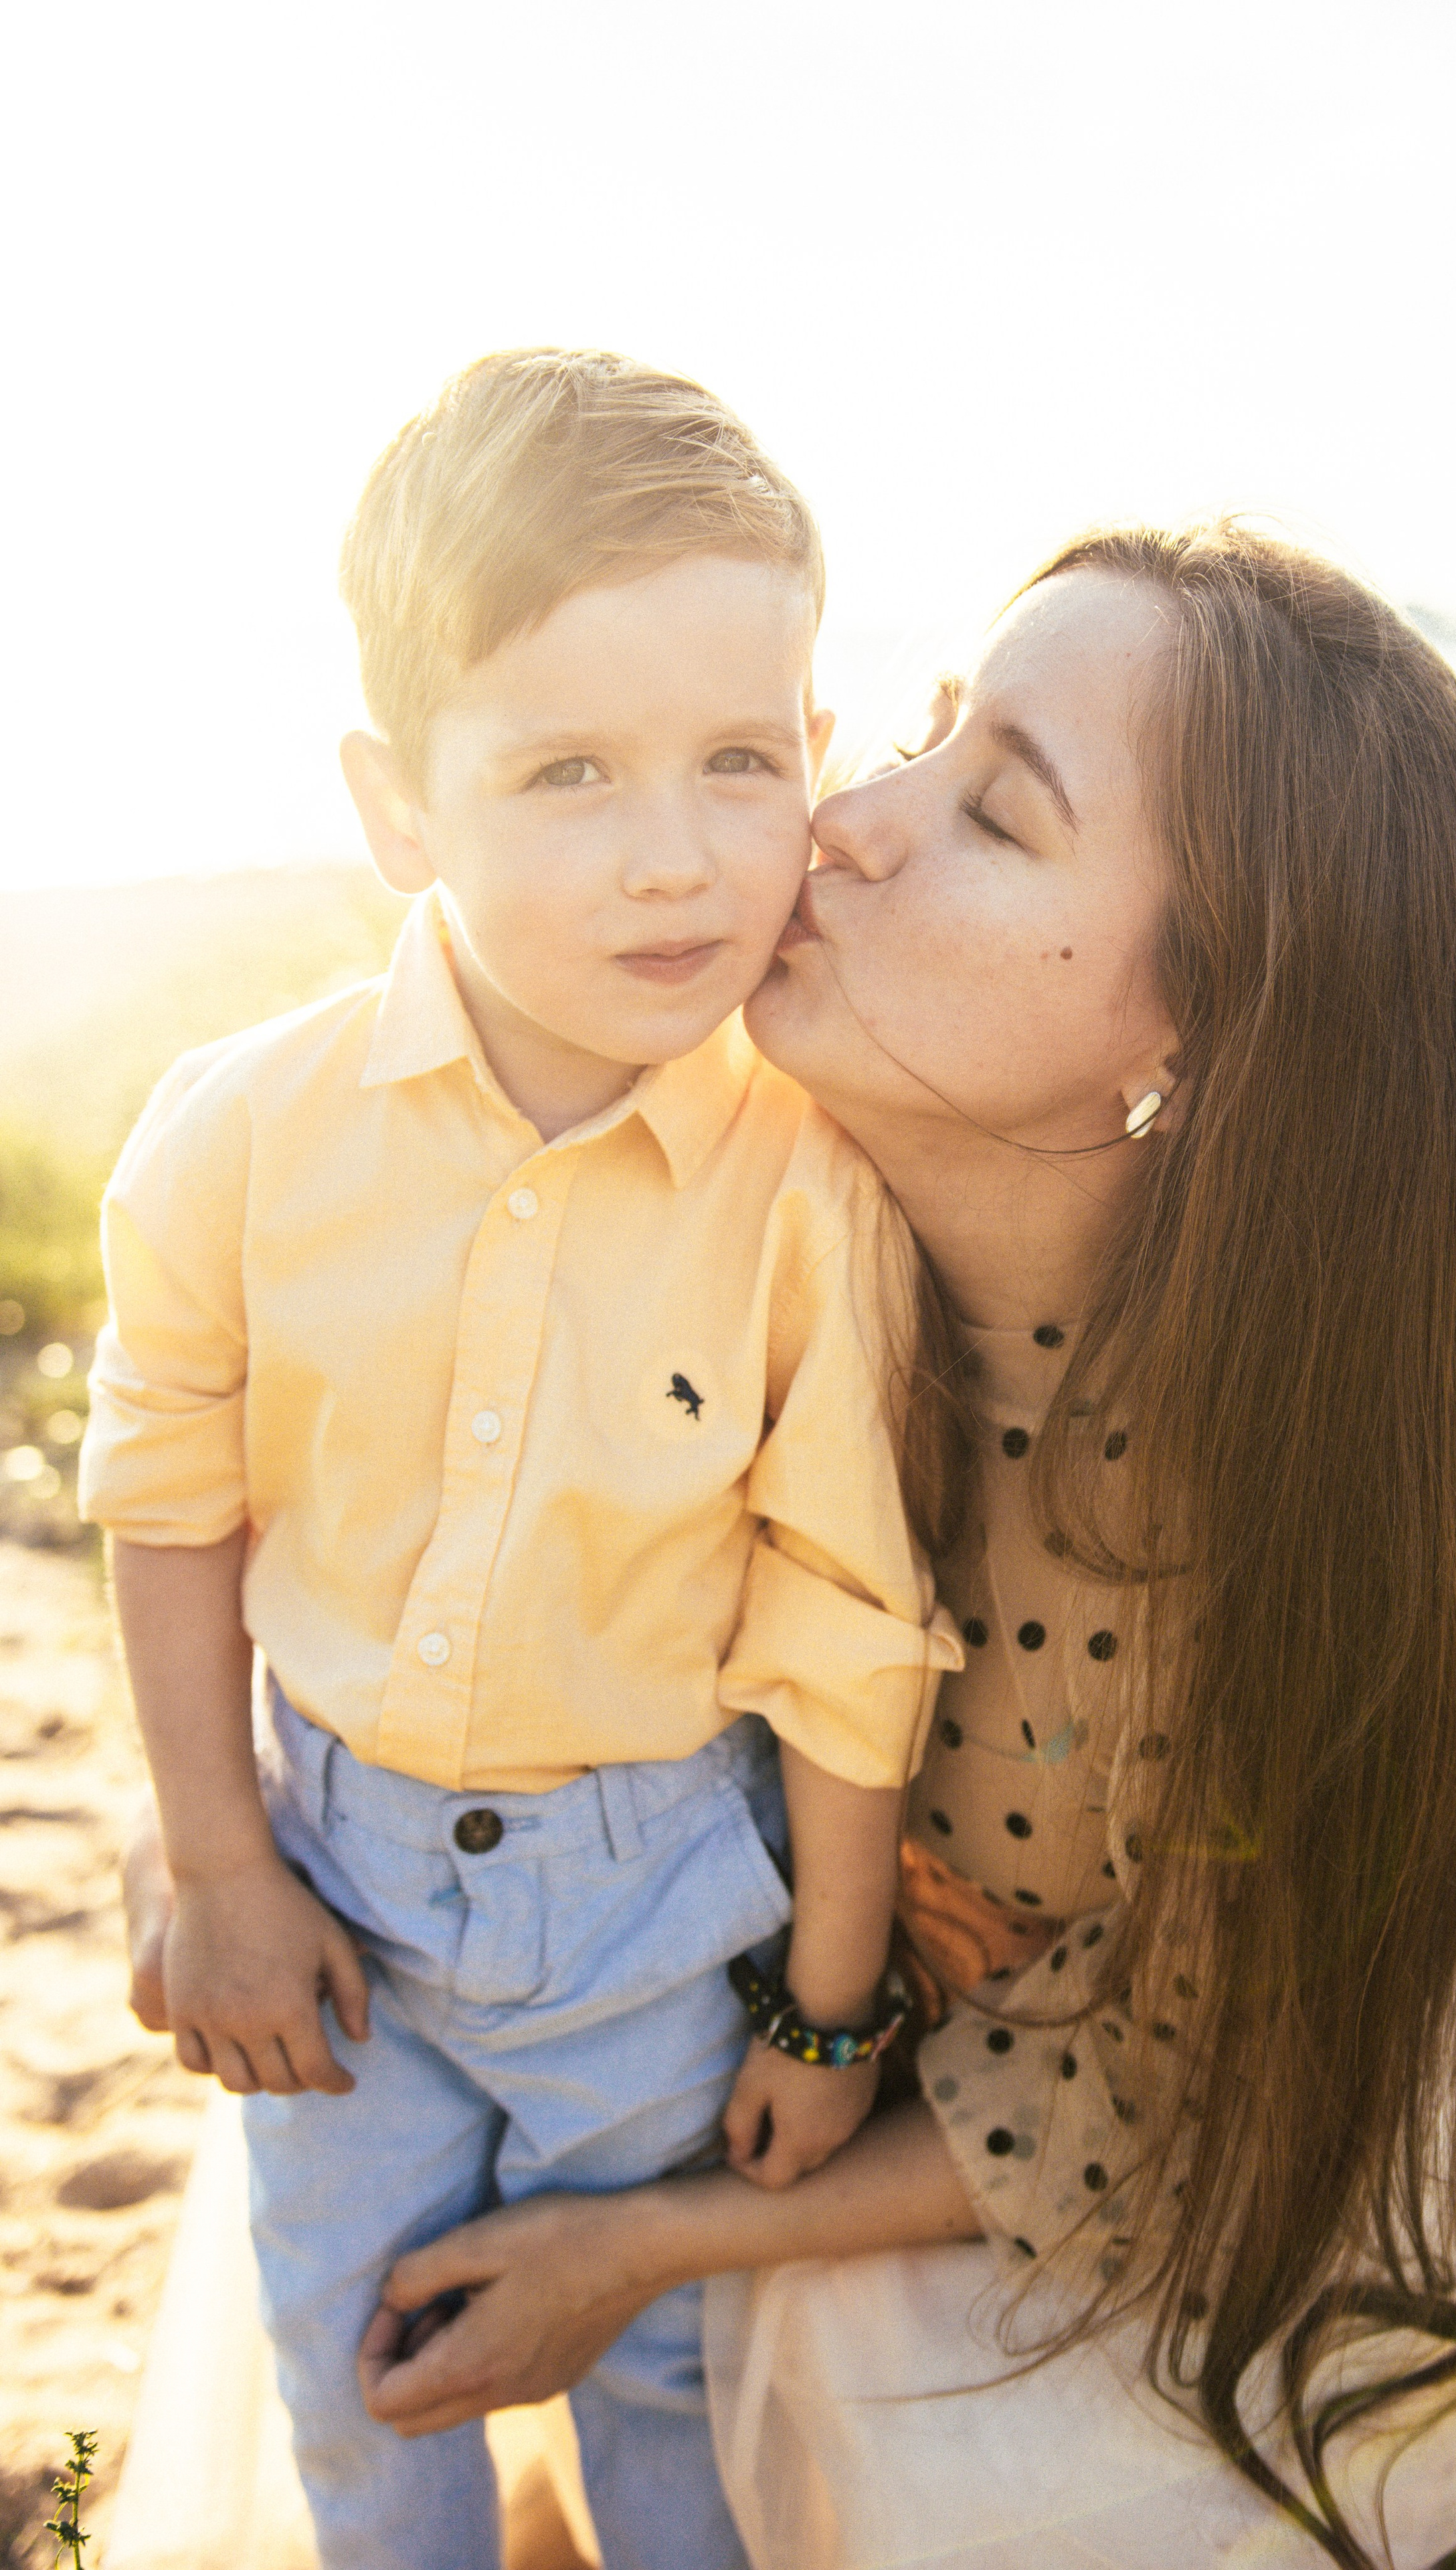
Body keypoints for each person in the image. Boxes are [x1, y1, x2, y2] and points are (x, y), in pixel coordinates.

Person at [342, 521, 1456, 2568]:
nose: (841, 821)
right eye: (922, 739)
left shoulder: (1273, 1577)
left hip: (1174, 2136)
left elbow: (1150, 2113)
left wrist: (643, 2239)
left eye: (994, 812)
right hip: (807, 2017)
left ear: (1191, 1047)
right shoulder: (731, 1206)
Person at [80, 348, 960, 2570]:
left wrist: (828, 2008)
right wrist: (217, 1862)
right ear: (403, 807)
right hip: (338, 1879)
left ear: (817, 760)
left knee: (678, 2386)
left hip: (669, 1912)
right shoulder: (241, 1135)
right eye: (566, 769)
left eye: (739, 763)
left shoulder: (809, 1192)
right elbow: (167, 1490)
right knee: (359, 2365)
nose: (675, 857)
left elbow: (847, 1619)